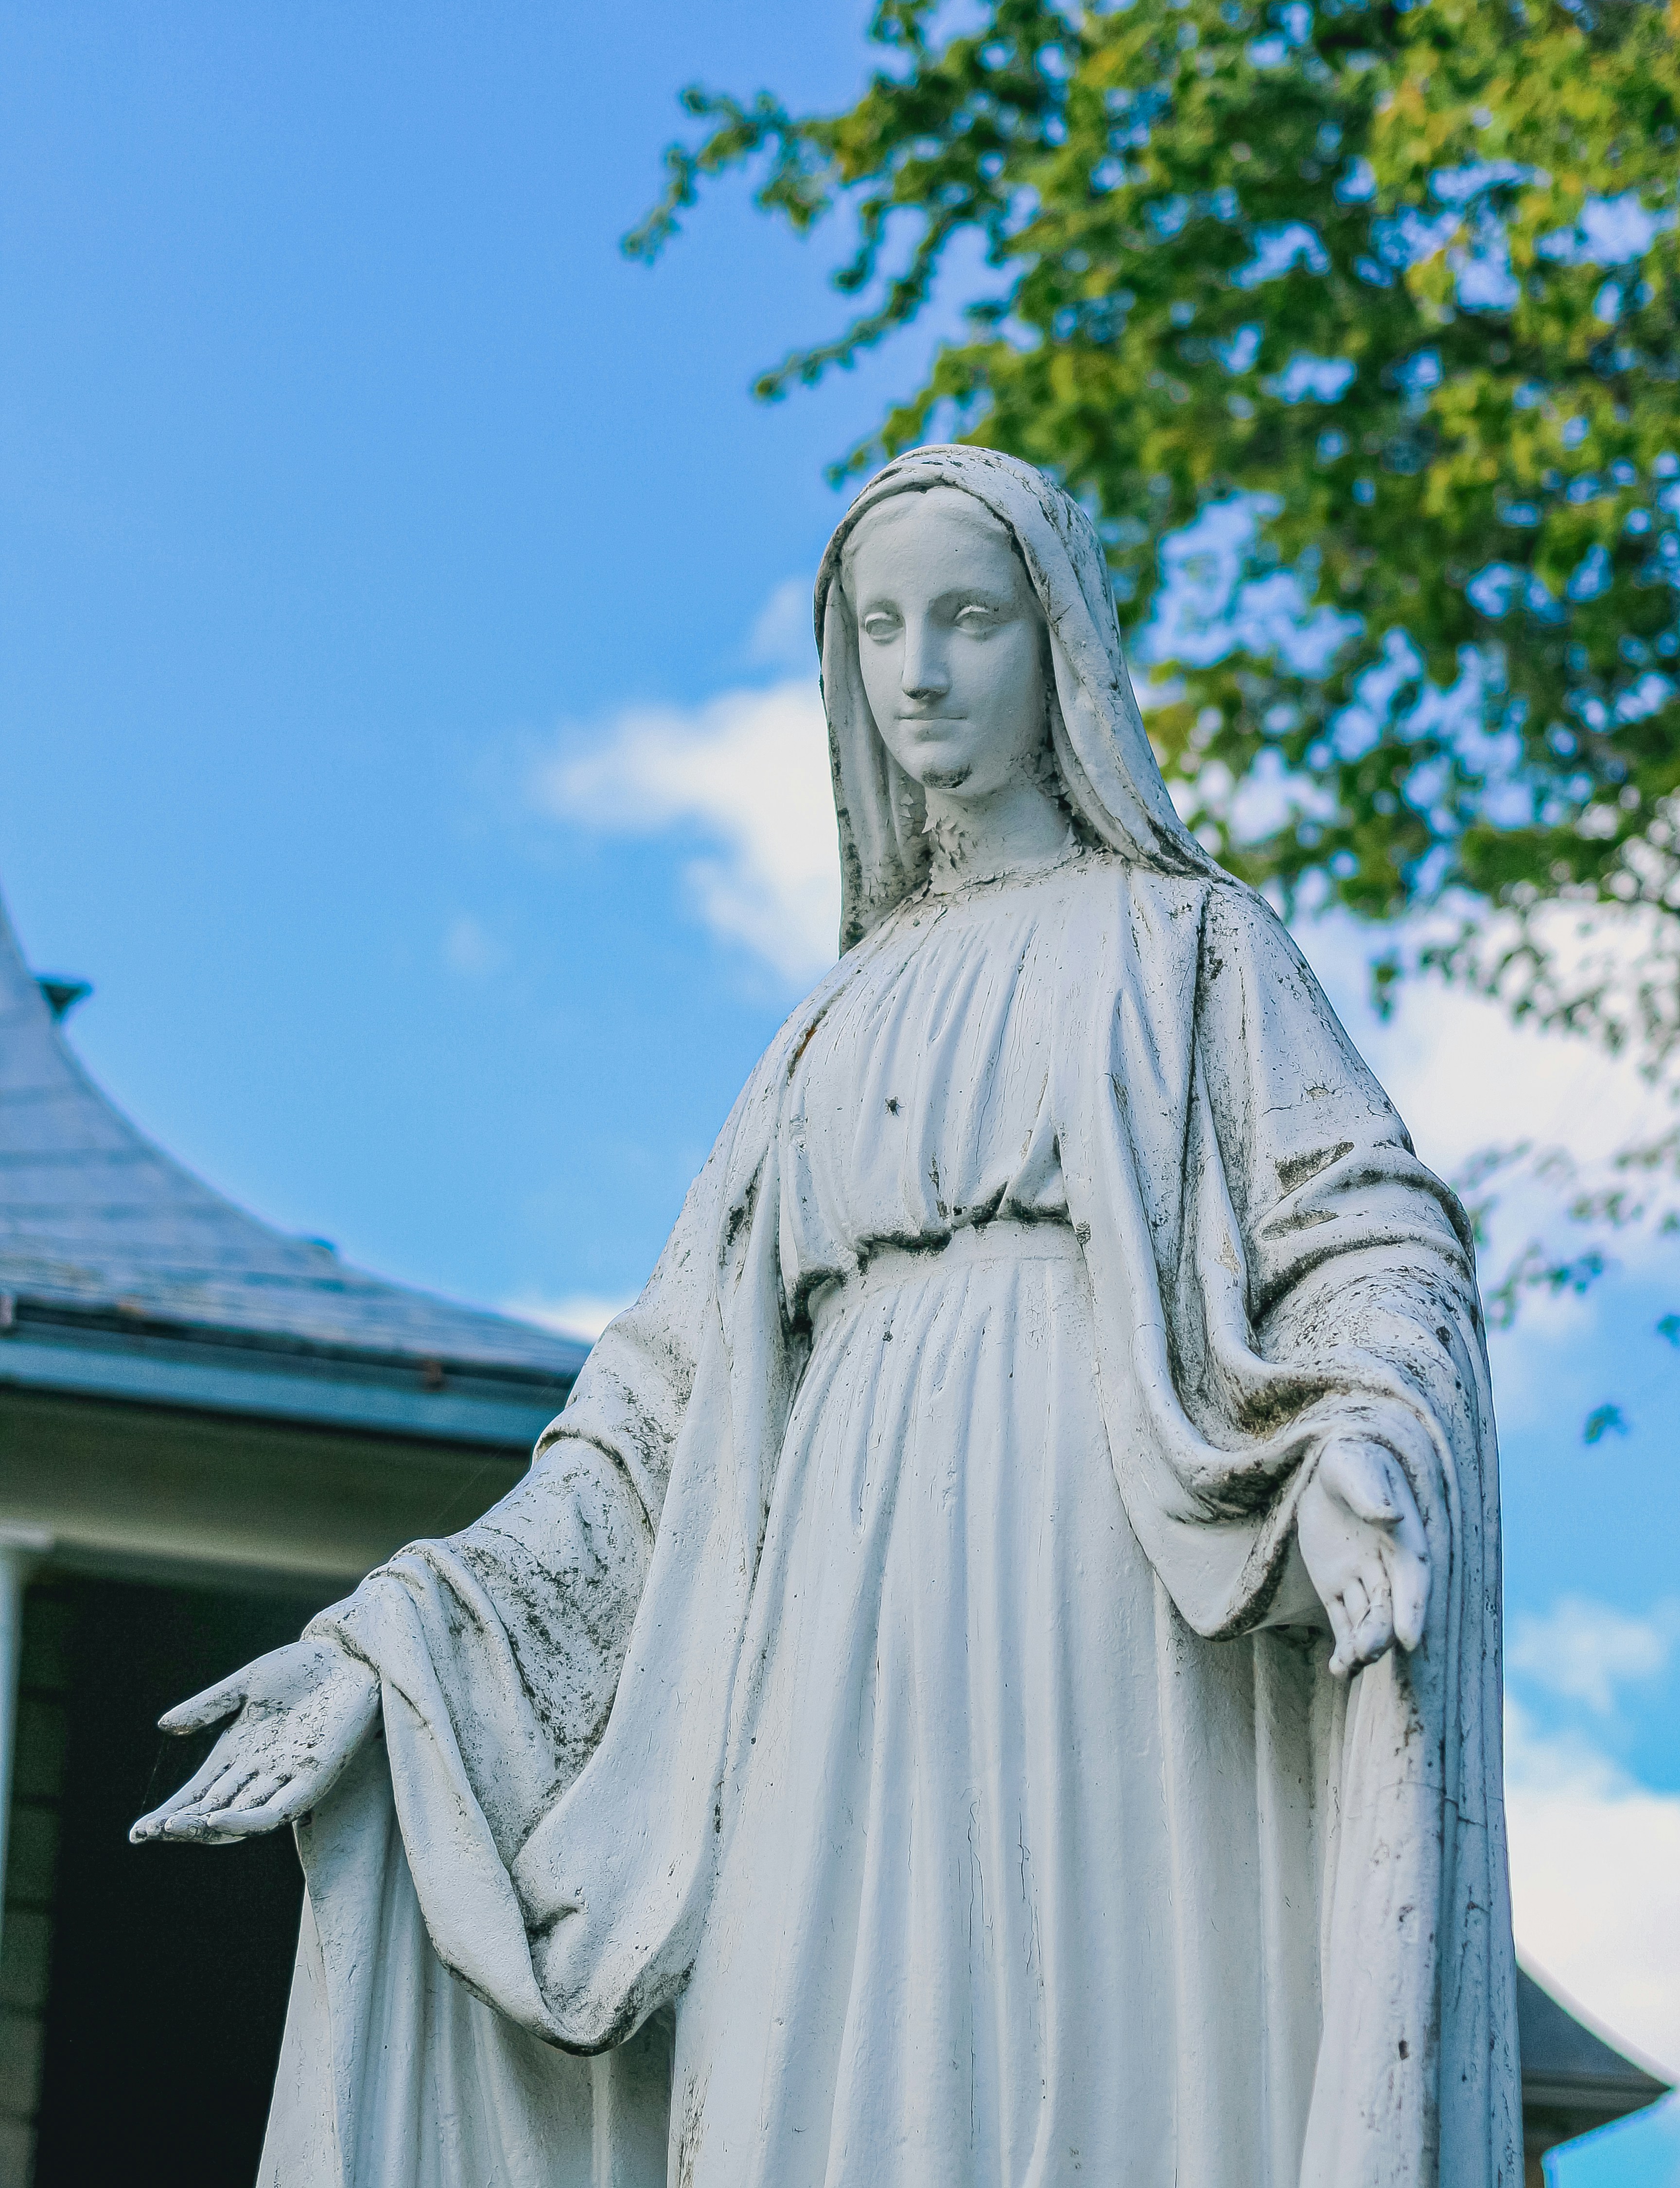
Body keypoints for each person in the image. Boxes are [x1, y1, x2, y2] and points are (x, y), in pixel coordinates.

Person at [136, 446, 1521, 2188]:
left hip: (1104, 1557)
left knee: (1104, 2027)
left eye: (970, 619)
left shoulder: (1191, 949)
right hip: (839, 1607)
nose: (921, 672)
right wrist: (400, 1646)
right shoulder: (823, 1035)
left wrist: (1370, 1433)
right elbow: (650, 1416)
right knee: (823, 2062)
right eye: (880, 629)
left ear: (1060, 645)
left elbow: (1366, 1231)